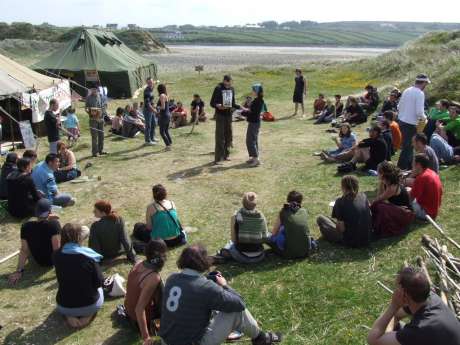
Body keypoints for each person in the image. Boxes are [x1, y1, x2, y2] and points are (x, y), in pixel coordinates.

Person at [159, 244, 282, 345]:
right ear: (203, 262)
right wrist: (224, 285)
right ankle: (261, 338)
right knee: (236, 312)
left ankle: (260, 337)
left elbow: (190, 293)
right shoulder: (205, 287)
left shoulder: (172, 279)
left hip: (166, 341)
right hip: (193, 342)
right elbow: (239, 303)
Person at [367, 266, 460, 345]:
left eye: (397, 288)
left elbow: (372, 340)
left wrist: (394, 305)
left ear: (405, 296)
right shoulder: (430, 298)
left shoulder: (419, 330)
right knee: (396, 327)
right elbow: (396, 315)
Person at [54, 223, 104, 328]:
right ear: (79, 237)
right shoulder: (89, 257)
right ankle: (88, 315)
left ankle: (69, 316)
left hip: (64, 306)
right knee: (100, 290)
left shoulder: (56, 255)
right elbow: (99, 282)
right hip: (90, 304)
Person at [8, 198, 60, 285]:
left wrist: (19, 271)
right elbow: (57, 250)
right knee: (83, 230)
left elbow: (24, 250)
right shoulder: (53, 225)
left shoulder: (25, 227)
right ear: (50, 211)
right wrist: (61, 270)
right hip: (51, 261)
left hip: (39, 260)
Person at [124, 240, 167, 345]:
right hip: (138, 320)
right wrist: (146, 337)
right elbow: (139, 309)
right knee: (161, 287)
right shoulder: (153, 277)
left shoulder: (138, 263)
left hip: (129, 312)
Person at [317, 175, 372, 247]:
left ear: (343, 187)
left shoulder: (340, 202)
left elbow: (341, 229)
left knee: (320, 219)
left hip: (350, 241)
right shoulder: (363, 196)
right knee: (329, 220)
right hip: (367, 237)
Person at [219, 192, 269, 264]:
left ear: (242, 202)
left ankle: (223, 254)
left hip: (241, 256)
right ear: (256, 204)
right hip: (259, 256)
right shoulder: (261, 216)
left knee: (229, 244)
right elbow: (265, 237)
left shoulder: (236, 216)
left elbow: (234, 240)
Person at [371, 163, 414, 238]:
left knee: (380, 207)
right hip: (399, 209)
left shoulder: (392, 187)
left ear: (383, 174)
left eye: (378, 172)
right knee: (378, 206)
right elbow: (379, 196)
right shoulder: (388, 182)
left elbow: (378, 199)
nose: (377, 174)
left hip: (406, 214)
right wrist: (381, 182)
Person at [397, 74, 430, 170]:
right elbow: (419, 112)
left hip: (401, 121)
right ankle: (400, 168)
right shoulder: (420, 93)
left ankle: (409, 167)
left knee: (408, 146)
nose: (426, 86)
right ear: (423, 83)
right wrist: (425, 118)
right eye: (426, 84)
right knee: (408, 147)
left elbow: (398, 107)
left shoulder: (407, 90)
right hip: (410, 124)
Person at [270, 191, 313, 259]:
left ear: (288, 200)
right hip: (306, 251)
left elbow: (274, 233)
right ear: (301, 201)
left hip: (289, 253)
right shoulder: (304, 211)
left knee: (271, 237)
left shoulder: (283, 212)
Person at [210, 75, 241, 165]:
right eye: (229, 81)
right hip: (220, 115)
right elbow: (212, 103)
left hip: (229, 115)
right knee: (220, 136)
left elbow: (233, 103)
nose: (231, 83)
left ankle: (226, 155)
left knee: (228, 135)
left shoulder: (232, 89)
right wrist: (218, 106)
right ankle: (218, 158)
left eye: (231, 82)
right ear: (225, 81)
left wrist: (241, 107)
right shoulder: (218, 88)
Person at [409, 154, 443, 220]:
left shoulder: (421, 178)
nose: (411, 165)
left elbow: (410, 199)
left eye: (413, 163)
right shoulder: (432, 172)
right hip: (434, 210)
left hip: (426, 214)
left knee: (402, 200)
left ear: (418, 165)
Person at [244, 83, 265, 167]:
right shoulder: (256, 100)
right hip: (254, 122)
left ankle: (256, 159)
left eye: (253, 90)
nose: (252, 91)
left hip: (254, 123)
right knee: (252, 140)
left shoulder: (258, 101)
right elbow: (251, 110)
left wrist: (244, 112)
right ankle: (254, 157)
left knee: (250, 140)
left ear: (256, 91)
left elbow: (253, 113)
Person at [85, 87, 106, 157]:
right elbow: (86, 108)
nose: (94, 91)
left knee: (101, 136)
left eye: (95, 89)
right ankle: (94, 152)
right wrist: (90, 112)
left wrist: (102, 111)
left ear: (97, 90)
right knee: (94, 137)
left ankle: (101, 150)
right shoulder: (88, 98)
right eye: (92, 89)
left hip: (101, 119)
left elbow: (105, 105)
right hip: (93, 120)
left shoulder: (101, 96)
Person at [157, 84, 173, 150]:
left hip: (164, 115)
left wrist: (157, 107)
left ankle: (168, 145)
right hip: (167, 115)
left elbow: (163, 107)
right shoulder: (165, 95)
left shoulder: (162, 95)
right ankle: (170, 142)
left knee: (161, 132)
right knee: (166, 130)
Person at [143, 77, 158, 146]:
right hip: (147, 110)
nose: (150, 84)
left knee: (153, 123)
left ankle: (152, 137)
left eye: (151, 82)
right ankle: (147, 141)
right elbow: (147, 104)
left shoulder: (151, 89)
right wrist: (154, 110)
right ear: (147, 83)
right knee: (148, 125)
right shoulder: (147, 91)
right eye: (149, 83)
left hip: (151, 109)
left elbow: (154, 84)